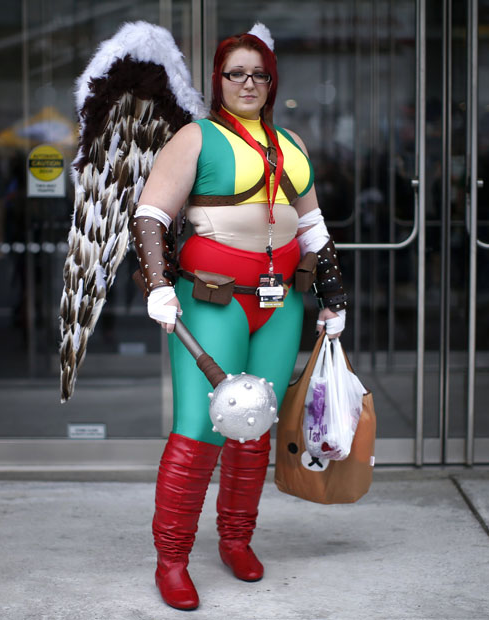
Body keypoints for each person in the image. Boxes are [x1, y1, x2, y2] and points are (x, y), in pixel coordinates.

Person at [131, 26, 349, 610]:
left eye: (258, 73)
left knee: (255, 428)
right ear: (219, 81)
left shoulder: (291, 142)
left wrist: (333, 297)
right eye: (236, 74)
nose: (248, 83)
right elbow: (151, 214)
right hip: (211, 302)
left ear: (271, 80)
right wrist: (158, 286)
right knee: (199, 429)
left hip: (279, 305)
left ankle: (236, 540)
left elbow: (313, 229)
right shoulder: (195, 139)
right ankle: (172, 559)